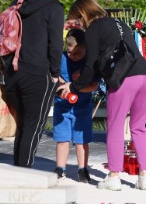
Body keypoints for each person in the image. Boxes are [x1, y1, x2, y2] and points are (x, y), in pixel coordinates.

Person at [57, 0, 146, 191]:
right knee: (139, 127)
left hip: (123, 78)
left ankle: (114, 177)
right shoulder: (118, 23)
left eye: (77, 20)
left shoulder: (94, 28)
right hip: (145, 76)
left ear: (84, 14)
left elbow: (91, 65)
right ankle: (145, 177)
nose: (78, 24)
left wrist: (74, 87)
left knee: (116, 127)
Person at [3, 0, 70, 168]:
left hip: (13, 71)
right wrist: (56, 74)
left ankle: (19, 167)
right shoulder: (55, 8)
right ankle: (24, 172)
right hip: (38, 73)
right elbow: (56, 45)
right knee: (34, 125)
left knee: (23, 124)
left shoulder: (22, 0)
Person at [53, 28, 99, 183]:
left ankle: (82, 169)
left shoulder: (88, 63)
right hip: (62, 106)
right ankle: (60, 168)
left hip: (82, 106)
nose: (72, 56)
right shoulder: (62, 59)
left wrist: (75, 86)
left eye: (77, 53)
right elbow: (53, 76)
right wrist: (59, 83)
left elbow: (94, 86)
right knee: (62, 138)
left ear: (86, 48)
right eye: (70, 52)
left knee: (81, 140)